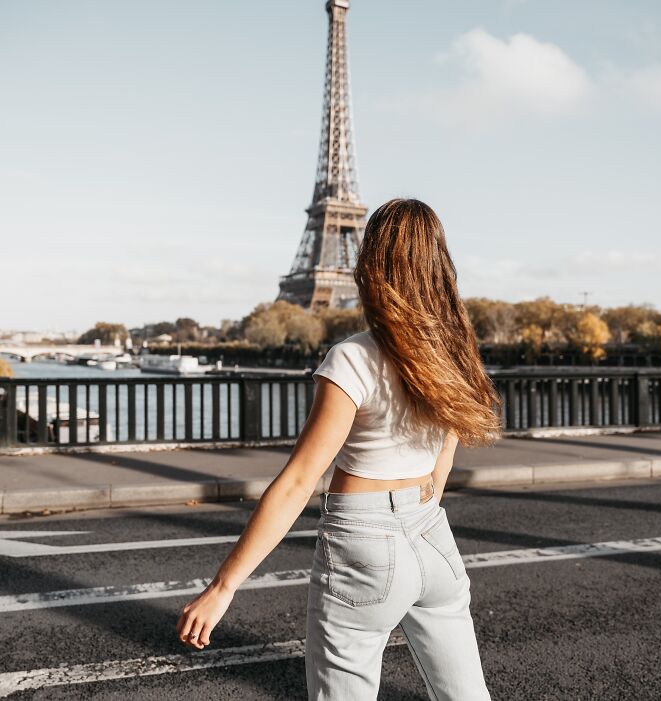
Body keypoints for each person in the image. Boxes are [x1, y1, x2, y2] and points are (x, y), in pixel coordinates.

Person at [176, 198, 503, 700]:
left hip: (363, 541)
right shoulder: (450, 352)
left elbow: (298, 482)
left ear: (371, 264)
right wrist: (419, 511)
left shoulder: (352, 358)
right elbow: (447, 448)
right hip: (432, 533)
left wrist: (223, 587)